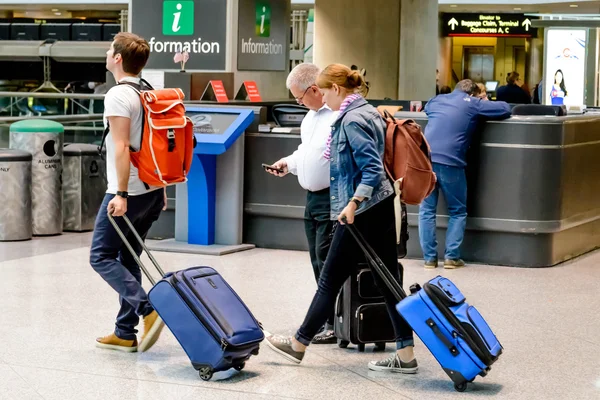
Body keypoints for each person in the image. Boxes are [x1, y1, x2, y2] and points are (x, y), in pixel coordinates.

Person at [265, 64, 418, 374]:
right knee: (388, 283)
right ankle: (406, 355)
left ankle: (297, 345)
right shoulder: (367, 111)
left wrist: (353, 203)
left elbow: (372, 169)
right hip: (380, 208)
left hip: (361, 212)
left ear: (336, 89)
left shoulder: (351, 119)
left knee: (329, 280)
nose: (324, 99)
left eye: (325, 92)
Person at [90, 32, 167, 353]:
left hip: (128, 191)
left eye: (111, 50)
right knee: (127, 256)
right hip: (150, 189)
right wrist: (160, 190)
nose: (108, 54)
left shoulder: (119, 95)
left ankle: (147, 309)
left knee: (100, 256)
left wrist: (120, 193)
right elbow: (157, 144)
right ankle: (124, 332)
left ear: (118, 58)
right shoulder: (146, 90)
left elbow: (122, 146)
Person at [266, 63, 339, 344]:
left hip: (332, 198)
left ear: (314, 89)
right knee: (316, 260)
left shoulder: (338, 116)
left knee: (328, 261)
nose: (298, 103)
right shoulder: (310, 118)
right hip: (312, 199)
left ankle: (332, 322)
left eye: (299, 97)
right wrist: (289, 163)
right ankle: (326, 319)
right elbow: (306, 152)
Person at [419, 80, 512, 269]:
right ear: (472, 94)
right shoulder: (472, 104)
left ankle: (429, 259)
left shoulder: (437, 100)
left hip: (425, 160)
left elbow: (427, 109)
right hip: (451, 161)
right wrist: (482, 100)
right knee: (458, 211)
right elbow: (505, 108)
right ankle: (451, 257)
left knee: (427, 211)